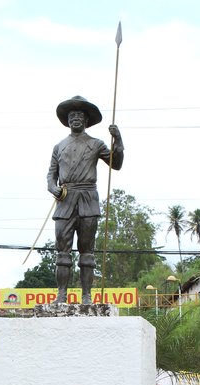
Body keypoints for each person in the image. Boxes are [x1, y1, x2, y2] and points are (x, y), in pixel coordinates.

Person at [46, 96, 124, 305]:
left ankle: (87, 296)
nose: (75, 119)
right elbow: (51, 176)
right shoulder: (59, 146)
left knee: (86, 251)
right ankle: (61, 294)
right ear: (67, 120)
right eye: (72, 116)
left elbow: (116, 164)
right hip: (65, 200)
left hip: (88, 197)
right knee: (62, 251)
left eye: (80, 116)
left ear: (86, 120)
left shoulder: (96, 144)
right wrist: (54, 188)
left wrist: (118, 141)